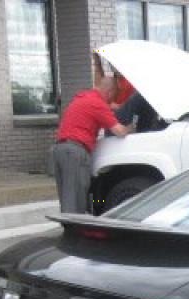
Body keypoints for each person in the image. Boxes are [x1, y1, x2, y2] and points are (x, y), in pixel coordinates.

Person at [52, 75, 133, 214]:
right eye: (113, 96)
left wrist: (115, 106)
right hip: (75, 152)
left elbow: (108, 106)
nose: (112, 100)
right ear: (110, 92)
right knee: (76, 198)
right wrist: (131, 128)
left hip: (60, 150)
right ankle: (74, 232)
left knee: (67, 197)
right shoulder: (98, 104)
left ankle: (69, 228)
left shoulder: (85, 97)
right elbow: (119, 131)